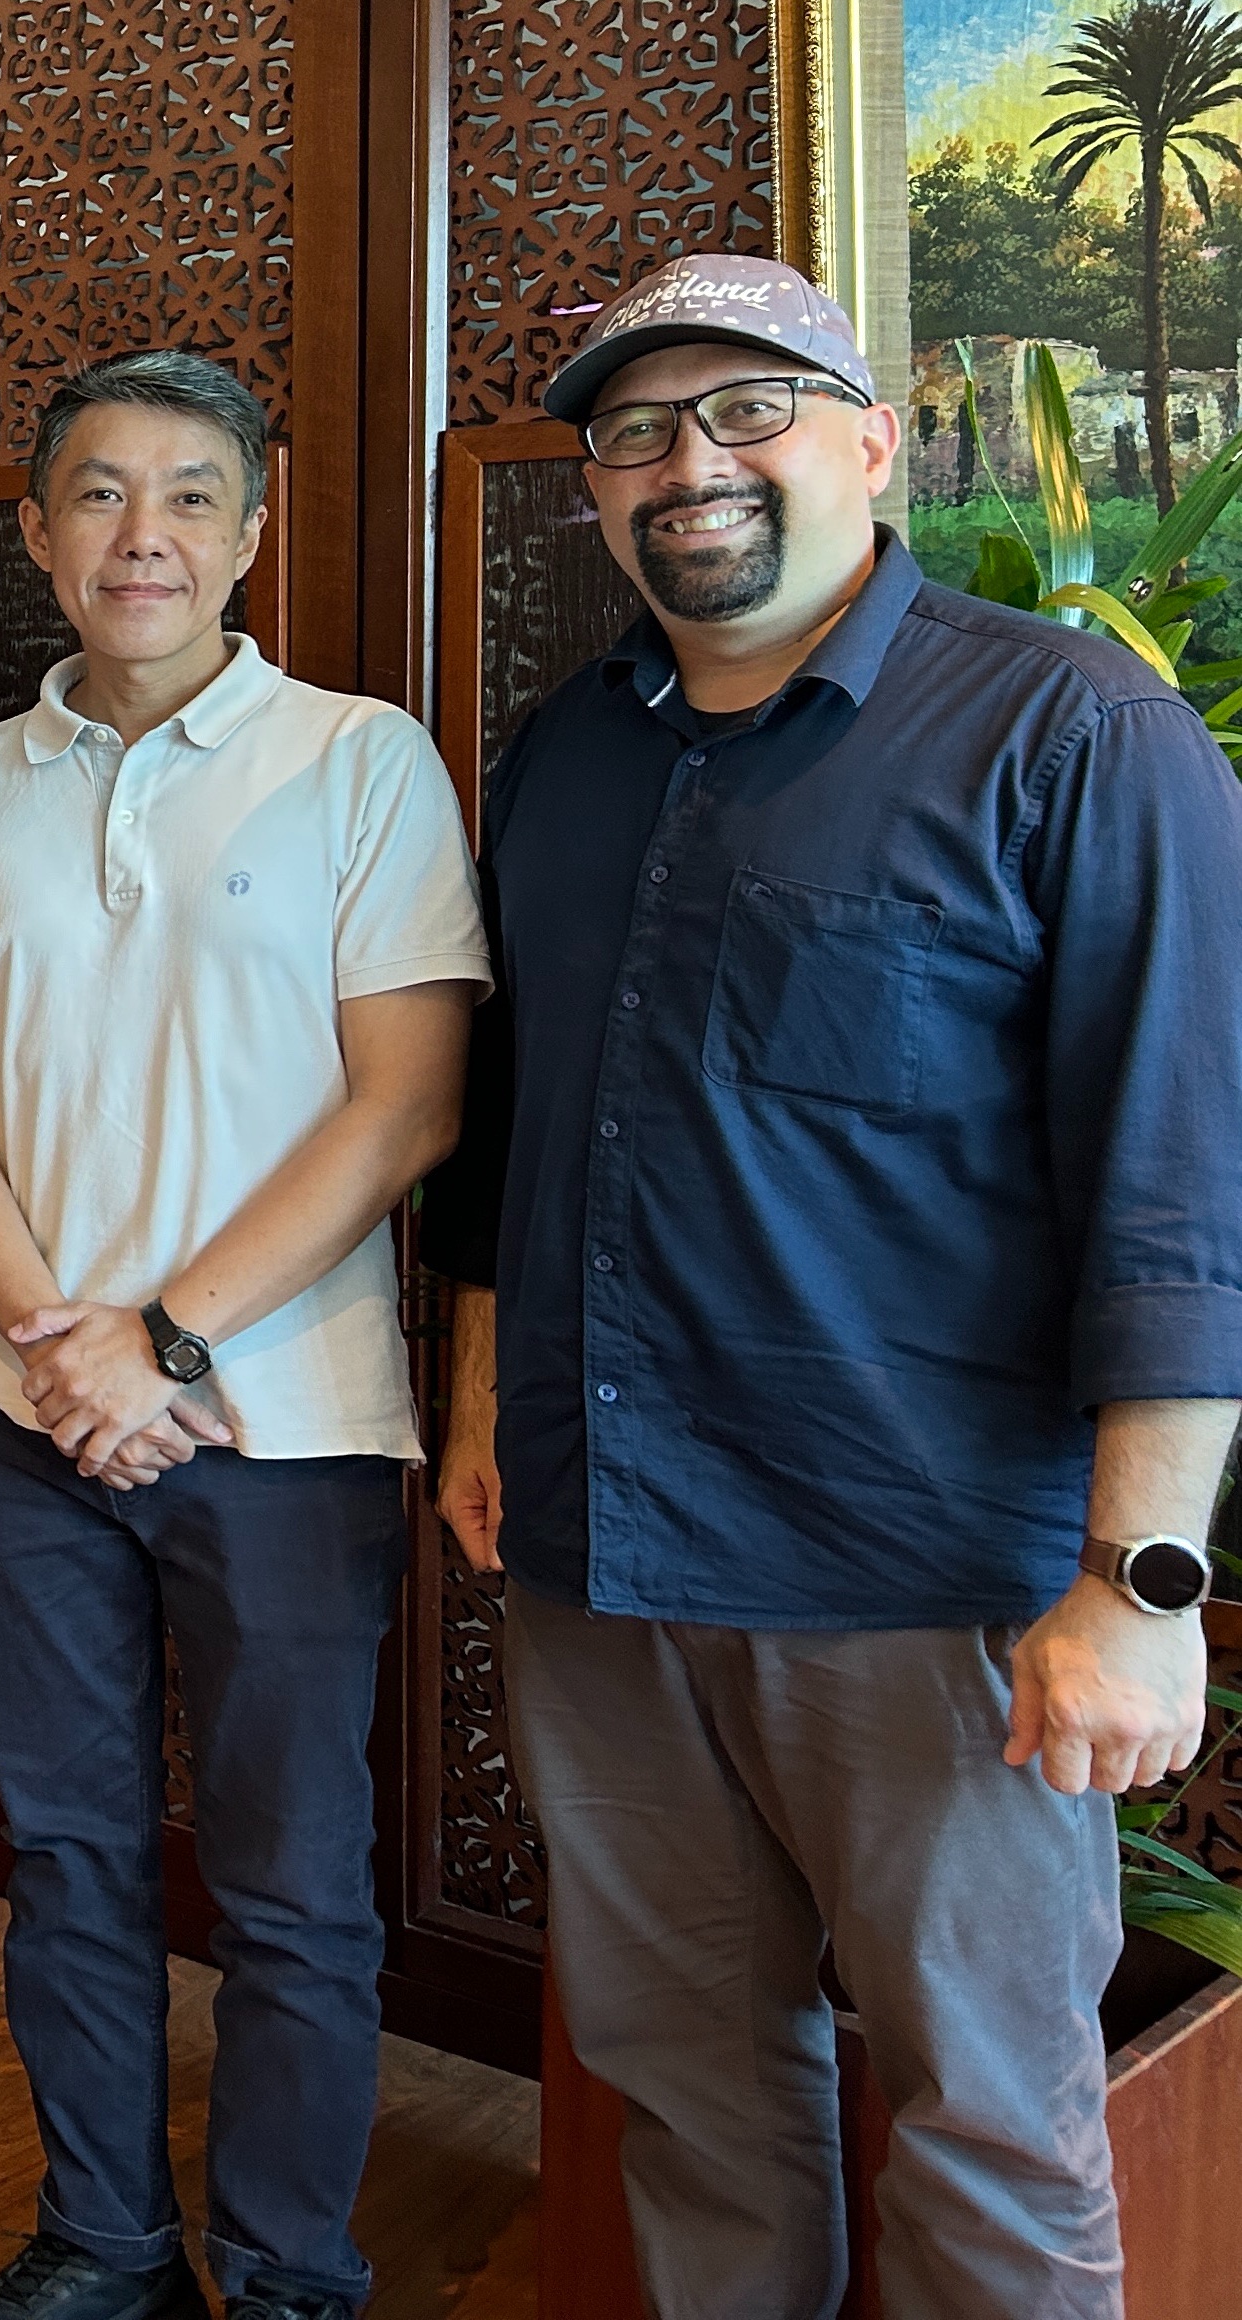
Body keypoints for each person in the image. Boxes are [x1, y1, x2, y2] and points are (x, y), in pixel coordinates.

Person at [425, 253, 1242, 2320]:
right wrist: (480, 1406)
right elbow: (514, 1121)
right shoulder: (562, 753)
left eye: (743, 411)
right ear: (595, 492)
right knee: (684, 2090)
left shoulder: (1072, 731)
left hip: (920, 1582)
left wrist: (1138, 1587)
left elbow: (1177, 1187)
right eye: (634, 433)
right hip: (604, 1555)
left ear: (871, 444)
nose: (684, 463)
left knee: (987, 2120)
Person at [0, 349, 488, 2320]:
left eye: (190, 495)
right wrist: (61, 1351)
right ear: (35, 532)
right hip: (19, 1419)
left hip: (281, 1425)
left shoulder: (358, 759)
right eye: (100, 494)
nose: (144, 535)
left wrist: (165, 1346)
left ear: (250, 529)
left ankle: (290, 2268)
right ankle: (104, 2240)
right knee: (68, 1853)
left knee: (293, 1881)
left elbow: (405, 1106)